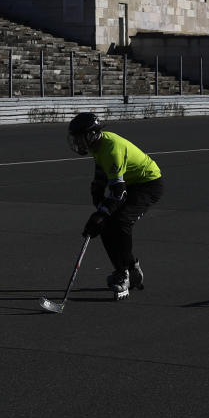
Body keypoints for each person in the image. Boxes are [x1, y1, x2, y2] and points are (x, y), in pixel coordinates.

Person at [66, 112, 164, 301]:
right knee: (105, 226)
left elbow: (119, 192)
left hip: (148, 184)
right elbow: (101, 172)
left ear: (91, 135)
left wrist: (101, 213)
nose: (77, 142)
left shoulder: (112, 148)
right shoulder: (97, 146)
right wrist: (97, 196)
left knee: (121, 221)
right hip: (130, 183)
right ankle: (129, 269)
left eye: (79, 137)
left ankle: (124, 274)